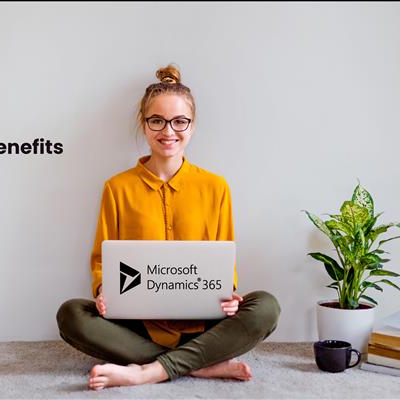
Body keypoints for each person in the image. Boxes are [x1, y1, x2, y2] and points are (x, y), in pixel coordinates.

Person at [56, 64, 281, 390]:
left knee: (266, 307)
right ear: (143, 124)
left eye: (179, 121)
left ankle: (147, 371)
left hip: (204, 324)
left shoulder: (216, 187)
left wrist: (230, 295)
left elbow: (224, 260)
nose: (168, 131)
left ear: (192, 126)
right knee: (71, 314)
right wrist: (104, 291)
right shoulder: (117, 188)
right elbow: (103, 260)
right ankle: (198, 364)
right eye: (157, 121)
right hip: (136, 326)